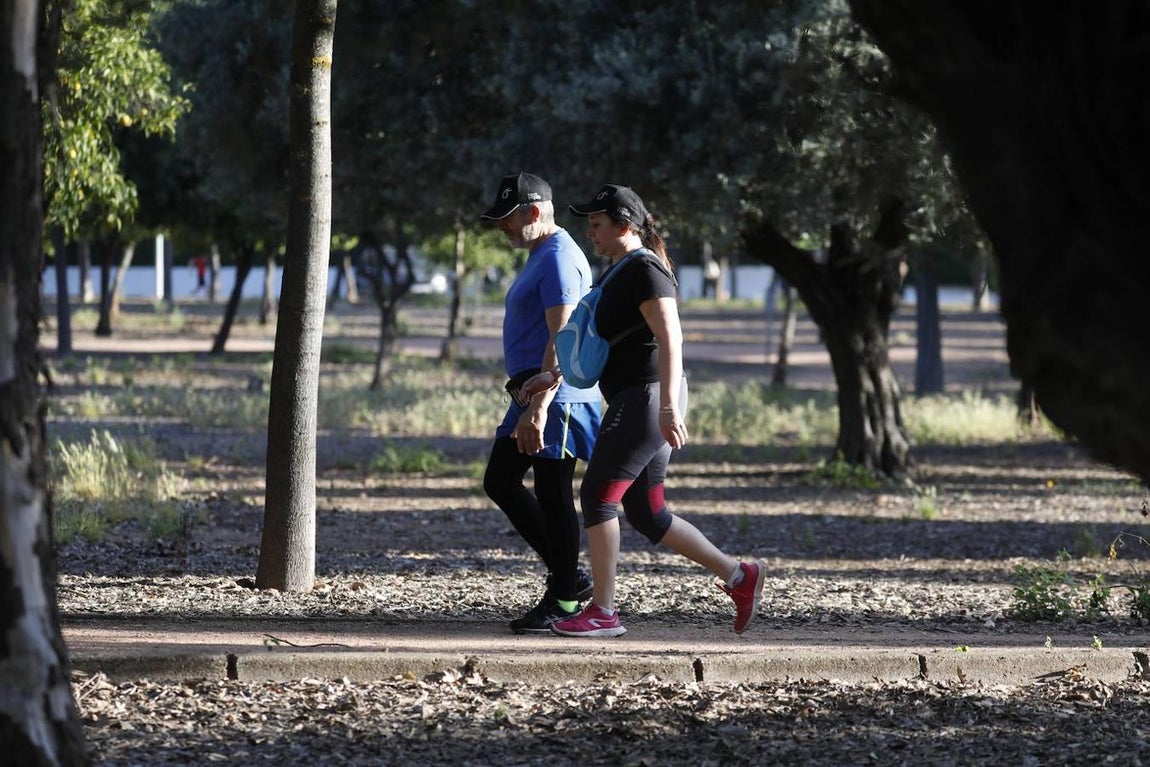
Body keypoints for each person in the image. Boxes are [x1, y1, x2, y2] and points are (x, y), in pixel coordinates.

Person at [521, 184, 765, 637]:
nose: (590, 232)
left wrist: (669, 406)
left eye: (597, 224)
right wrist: (552, 376)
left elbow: (671, 337)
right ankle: (739, 575)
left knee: (598, 497)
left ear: (625, 225)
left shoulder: (646, 270)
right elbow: (607, 345)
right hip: (639, 397)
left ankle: (603, 611)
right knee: (646, 511)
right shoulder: (619, 271)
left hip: (648, 398)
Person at [479, 172, 602, 634]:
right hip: (535, 393)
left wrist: (540, 407)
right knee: (502, 480)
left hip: (557, 396)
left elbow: (562, 336)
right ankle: (569, 579)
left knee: (551, 494)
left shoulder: (558, 259)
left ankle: (566, 597)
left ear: (534, 211)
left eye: (507, 218)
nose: (502, 226)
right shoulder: (542, 253)